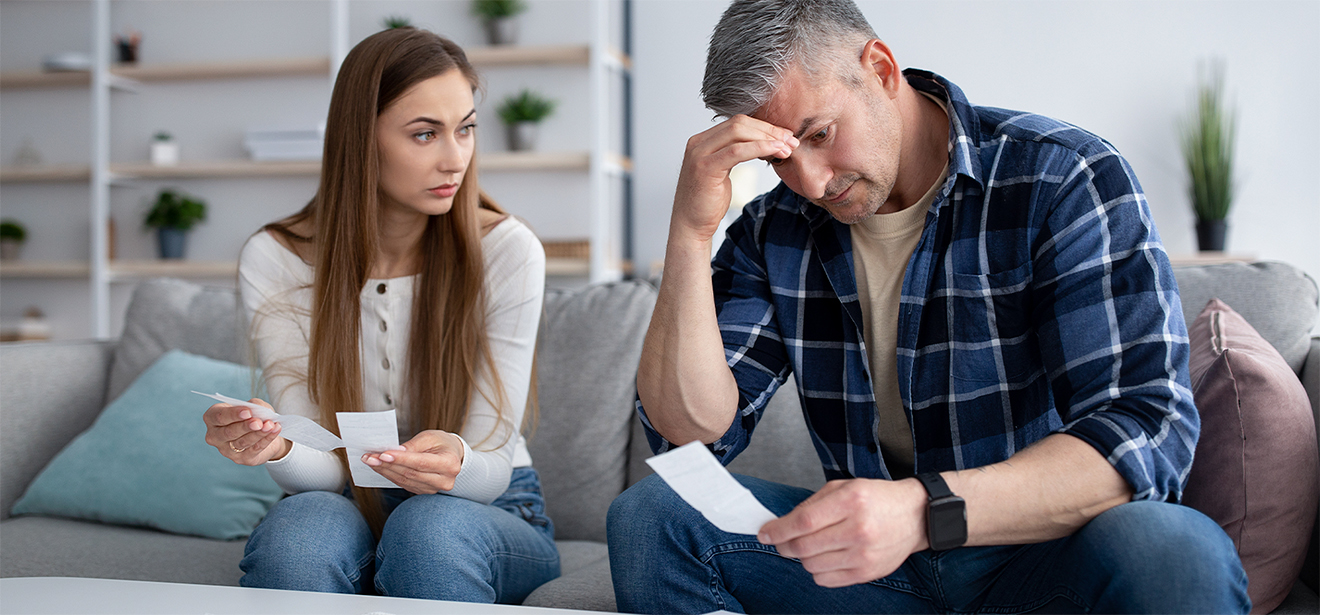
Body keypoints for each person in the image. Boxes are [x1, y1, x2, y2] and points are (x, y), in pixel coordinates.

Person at [609, 1, 1248, 613]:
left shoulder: (1063, 177)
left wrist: (921, 512)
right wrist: (690, 233)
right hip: (873, 576)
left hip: (1041, 555)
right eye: (779, 158)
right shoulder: (773, 228)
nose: (809, 181)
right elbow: (689, 438)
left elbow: (1146, 427)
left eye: (820, 134)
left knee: (1174, 550)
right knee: (652, 517)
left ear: (881, 69)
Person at [201, 27, 558, 603]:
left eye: (465, 129)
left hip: (486, 503)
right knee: (299, 540)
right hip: (342, 500)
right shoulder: (276, 258)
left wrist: (455, 467)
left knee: (429, 531)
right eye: (425, 134)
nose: (455, 159)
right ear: (359, 140)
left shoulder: (507, 250)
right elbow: (323, 471)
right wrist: (280, 448)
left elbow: (490, 463)